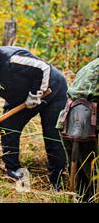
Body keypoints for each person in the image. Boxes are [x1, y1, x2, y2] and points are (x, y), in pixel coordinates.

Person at [0, 42, 68, 190]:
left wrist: (36, 94)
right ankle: (13, 170)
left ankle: (57, 179)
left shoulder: (13, 60)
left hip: (51, 92)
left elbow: (43, 68)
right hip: (21, 97)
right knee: (8, 127)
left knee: (51, 135)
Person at [56, 40, 99, 199]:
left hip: (68, 122)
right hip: (88, 127)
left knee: (83, 179)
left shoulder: (89, 66)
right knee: (94, 178)